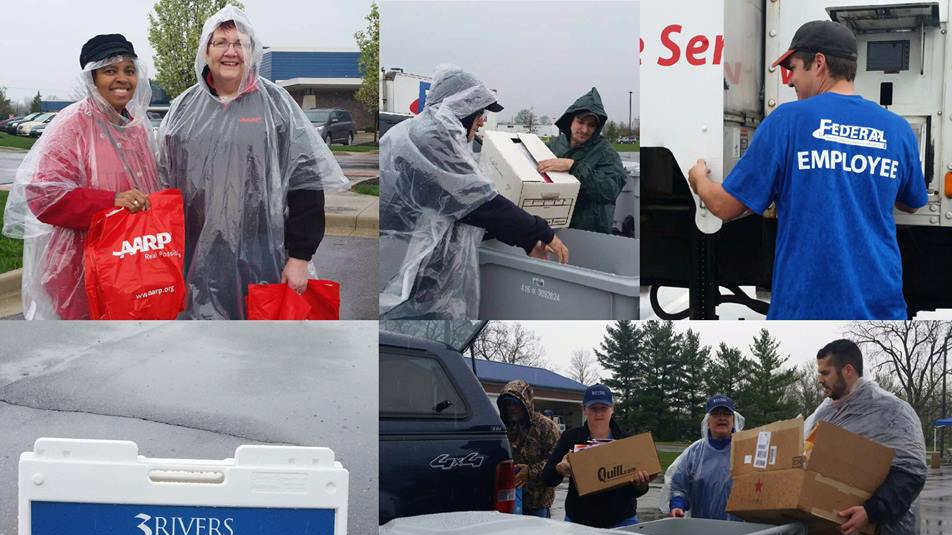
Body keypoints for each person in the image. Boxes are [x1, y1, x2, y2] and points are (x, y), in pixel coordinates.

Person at [686, 20, 928, 320]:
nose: (789, 81)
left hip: (804, 307)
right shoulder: (898, 130)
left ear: (819, 63)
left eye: (793, 68)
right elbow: (913, 202)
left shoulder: (787, 121)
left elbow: (724, 206)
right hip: (881, 308)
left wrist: (699, 180)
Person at [157, 5, 348, 320]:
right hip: (196, 257)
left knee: (259, 345)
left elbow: (306, 183)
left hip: (264, 253)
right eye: (221, 42)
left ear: (252, 51)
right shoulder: (182, 110)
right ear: (206, 51)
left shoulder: (276, 106)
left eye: (239, 43)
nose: (230, 52)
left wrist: (300, 256)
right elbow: (164, 185)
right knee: (201, 341)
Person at [379, 64, 569, 339]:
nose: (482, 121)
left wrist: (525, 237)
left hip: (408, 259)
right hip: (408, 268)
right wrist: (539, 232)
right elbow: (478, 202)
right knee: (413, 333)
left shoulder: (421, 133)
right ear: (460, 108)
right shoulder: (431, 138)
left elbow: (462, 208)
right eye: (479, 112)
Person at [2, 34, 160, 320]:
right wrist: (112, 202)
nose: (122, 79)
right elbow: (43, 195)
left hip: (132, 259)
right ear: (92, 78)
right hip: (80, 267)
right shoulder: (72, 125)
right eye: (110, 71)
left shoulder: (136, 126)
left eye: (129, 70)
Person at [805, 339, 927, 535]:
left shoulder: (892, 412)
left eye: (825, 372)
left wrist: (870, 512)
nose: (819, 379)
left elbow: (910, 472)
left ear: (848, 370)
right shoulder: (824, 414)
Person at [542, 384, 651, 528]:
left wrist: (641, 485)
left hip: (621, 520)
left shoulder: (626, 441)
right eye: (594, 408)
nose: (599, 413)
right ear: (584, 409)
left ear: (612, 409)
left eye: (603, 408)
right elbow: (547, 478)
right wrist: (559, 468)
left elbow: (635, 491)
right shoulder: (570, 438)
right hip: (578, 521)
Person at [536, 88, 627, 234]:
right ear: (570, 120)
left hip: (590, 233)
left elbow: (609, 190)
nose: (584, 129)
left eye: (591, 125)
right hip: (553, 229)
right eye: (581, 121)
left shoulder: (606, 152)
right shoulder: (554, 145)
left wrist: (573, 166)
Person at [668, 395, 742, 520]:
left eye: (726, 414)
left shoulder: (745, 450)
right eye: (716, 414)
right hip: (702, 528)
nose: (722, 418)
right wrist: (677, 505)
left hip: (739, 529)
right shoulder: (694, 452)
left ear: (733, 419)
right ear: (707, 420)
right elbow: (679, 486)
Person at [496, 380, 561, 518]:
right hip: (508, 500)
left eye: (515, 404)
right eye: (507, 404)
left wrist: (530, 472)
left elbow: (556, 462)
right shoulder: (502, 428)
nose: (511, 408)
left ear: (526, 403)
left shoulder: (546, 427)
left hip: (538, 503)